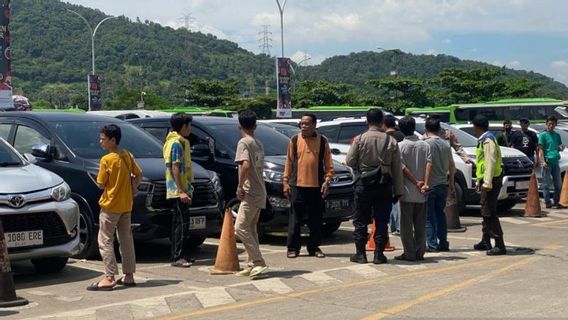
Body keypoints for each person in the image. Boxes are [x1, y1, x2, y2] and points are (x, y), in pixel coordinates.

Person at [346, 109, 404, 264]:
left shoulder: (359, 139)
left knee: (360, 221)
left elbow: (350, 161)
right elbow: (397, 168)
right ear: (382, 122)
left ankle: (361, 254)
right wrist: (399, 190)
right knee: (381, 220)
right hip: (384, 184)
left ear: (367, 121)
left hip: (364, 184)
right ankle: (379, 254)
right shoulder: (390, 140)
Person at [88, 124, 142, 291]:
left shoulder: (107, 160)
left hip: (111, 205)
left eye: (103, 139)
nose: (100, 142)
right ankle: (129, 275)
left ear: (113, 140)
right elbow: (138, 174)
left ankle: (110, 276)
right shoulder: (127, 155)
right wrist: (132, 188)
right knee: (126, 239)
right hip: (126, 204)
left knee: (104, 240)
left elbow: (101, 183)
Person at [283, 113, 334, 258]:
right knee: (295, 219)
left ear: (314, 125)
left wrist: (327, 180)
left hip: (316, 185)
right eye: (302, 123)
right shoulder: (294, 140)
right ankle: (293, 248)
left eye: (306, 123)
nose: (303, 126)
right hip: (297, 185)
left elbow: (328, 164)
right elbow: (288, 162)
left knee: (316, 219)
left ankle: (314, 247)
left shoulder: (322, 141)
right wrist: (285, 182)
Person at [234, 111, 269, 278]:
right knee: (251, 228)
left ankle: (258, 261)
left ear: (239, 125)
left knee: (240, 227)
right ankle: (251, 264)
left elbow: (246, 165)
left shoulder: (243, 142)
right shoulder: (259, 143)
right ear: (255, 125)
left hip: (250, 191)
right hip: (260, 190)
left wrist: (240, 185)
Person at [395, 116, 431, 261]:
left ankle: (409, 253)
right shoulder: (425, 145)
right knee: (420, 225)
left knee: (406, 226)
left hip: (407, 192)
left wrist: (416, 182)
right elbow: (429, 164)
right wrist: (425, 183)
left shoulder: (400, 146)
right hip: (422, 193)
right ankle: (419, 251)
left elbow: (402, 167)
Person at [472, 115, 507, 255]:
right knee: (485, 210)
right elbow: (482, 163)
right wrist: (479, 180)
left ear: (477, 127)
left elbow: (490, 162)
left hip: (492, 181)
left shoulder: (487, 141)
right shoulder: (484, 140)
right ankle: (485, 241)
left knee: (489, 213)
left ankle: (499, 244)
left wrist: (487, 182)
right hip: (488, 180)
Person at [164, 113, 195, 267]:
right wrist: (181, 190)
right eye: (189, 126)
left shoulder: (178, 142)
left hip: (181, 188)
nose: (190, 129)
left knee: (183, 223)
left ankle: (182, 254)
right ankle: (177, 257)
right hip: (177, 190)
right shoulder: (176, 143)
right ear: (183, 126)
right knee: (180, 224)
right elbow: (175, 168)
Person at [423, 116, 455, 252]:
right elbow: (452, 165)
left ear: (426, 129)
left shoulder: (426, 144)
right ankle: (443, 243)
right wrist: (451, 182)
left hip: (430, 185)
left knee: (429, 217)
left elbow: (427, 165)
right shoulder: (445, 144)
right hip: (443, 183)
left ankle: (432, 244)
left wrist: (425, 183)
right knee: (440, 215)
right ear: (439, 129)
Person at [538, 116, 566, 209]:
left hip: (555, 162)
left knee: (558, 184)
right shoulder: (543, 135)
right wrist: (542, 161)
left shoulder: (557, 135)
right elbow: (540, 150)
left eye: (553, 124)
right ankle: (547, 202)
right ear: (546, 124)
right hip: (547, 162)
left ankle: (556, 201)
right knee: (546, 184)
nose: (551, 125)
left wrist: (560, 148)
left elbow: (558, 147)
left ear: (555, 124)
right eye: (549, 123)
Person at [384, 115, 404, 236]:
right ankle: (396, 226)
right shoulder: (401, 136)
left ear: (384, 124)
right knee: (397, 199)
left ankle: (394, 226)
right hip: (401, 171)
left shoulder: (385, 138)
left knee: (391, 200)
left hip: (388, 171)